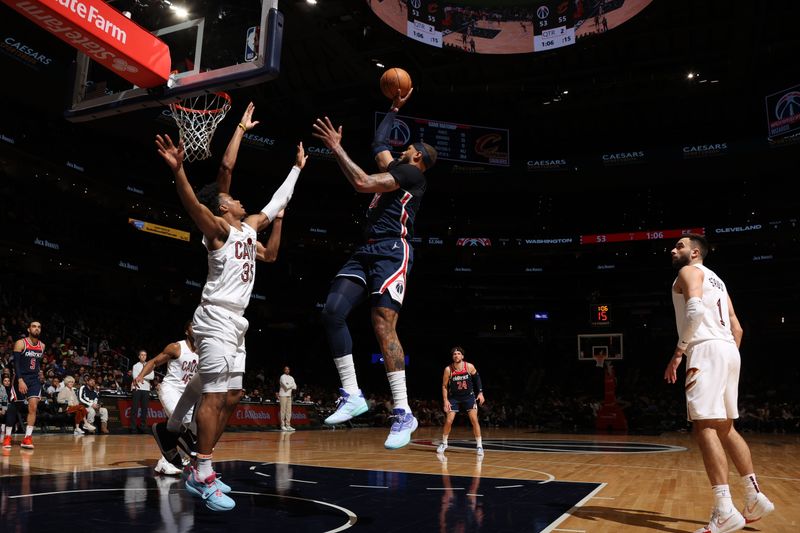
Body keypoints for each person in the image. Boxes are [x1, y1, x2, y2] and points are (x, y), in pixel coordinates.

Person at [154, 103, 306, 511]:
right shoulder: (218, 230)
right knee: (215, 397)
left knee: (234, 396)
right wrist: (179, 170)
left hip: (237, 322)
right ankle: (201, 471)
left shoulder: (250, 227)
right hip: (215, 317)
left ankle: (179, 440)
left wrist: (297, 169)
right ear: (223, 207)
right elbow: (195, 204)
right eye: (232, 198)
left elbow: (276, 204)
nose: (239, 199)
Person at [312, 88, 438, 449]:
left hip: (392, 252)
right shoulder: (398, 167)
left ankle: (403, 412)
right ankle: (352, 394)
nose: (399, 150)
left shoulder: (414, 177)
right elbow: (379, 140)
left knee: (382, 325)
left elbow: (363, 183)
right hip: (365, 252)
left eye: (407, 150)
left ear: (416, 157)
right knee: (332, 312)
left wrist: (336, 148)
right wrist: (394, 108)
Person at [664, 234, 775, 533]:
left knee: (705, 426)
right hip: (728, 349)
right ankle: (753, 495)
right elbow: (737, 327)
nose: (674, 250)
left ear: (696, 252)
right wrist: (725, 356)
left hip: (706, 348)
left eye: (680, 246)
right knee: (726, 426)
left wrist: (679, 353)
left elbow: (695, 310)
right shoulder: (719, 281)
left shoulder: (688, 271)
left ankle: (724, 509)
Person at [137, 322, 198, 476]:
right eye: (193, 325)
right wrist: (141, 375)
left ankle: (165, 461)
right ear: (186, 331)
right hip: (171, 389)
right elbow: (155, 362)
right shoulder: (177, 347)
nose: (197, 328)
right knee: (178, 422)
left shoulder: (204, 351)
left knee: (188, 430)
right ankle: (171, 455)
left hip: (189, 394)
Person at [437, 346, 485, 456]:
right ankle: (444, 443)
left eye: (458, 353)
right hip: (454, 398)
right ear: (452, 357)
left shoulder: (468, 366)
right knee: (449, 420)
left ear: (462, 356)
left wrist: (480, 392)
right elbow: (444, 386)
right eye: (454, 354)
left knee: (474, 420)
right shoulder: (448, 369)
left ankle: (479, 446)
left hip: (469, 396)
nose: (456, 355)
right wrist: (445, 400)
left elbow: (477, 378)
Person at [9, 320, 44, 449]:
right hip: (21, 377)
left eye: (39, 327)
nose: (37, 329)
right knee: (14, 406)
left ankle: (27, 438)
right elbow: (16, 364)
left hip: (34, 379)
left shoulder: (42, 346)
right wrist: (20, 380)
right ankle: (7, 436)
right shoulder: (20, 343)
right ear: (29, 329)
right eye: (34, 326)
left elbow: (36, 362)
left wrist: (39, 372)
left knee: (33, 406)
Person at [130, 350, 153, 433]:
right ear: (139, 356)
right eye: (142, 355)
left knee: (144, 409)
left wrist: (141, 375)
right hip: (137, 388)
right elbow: (136, 377)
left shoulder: (150, 365)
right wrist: (143, 375)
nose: (143, 356)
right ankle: (133, 427)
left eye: (145, 355)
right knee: (134, 408)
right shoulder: (135, 366)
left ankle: (143, 426)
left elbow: (152, 376)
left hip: (146, 389)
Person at [278, 366, 297, 431]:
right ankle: (282, 425)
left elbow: (295, 387)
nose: (287, 370)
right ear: (284, 370)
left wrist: (290, 385)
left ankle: (288, 425)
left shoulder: (291, 377)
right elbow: (286, 387)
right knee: (283, 411)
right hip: (283, 395)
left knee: (289, 411)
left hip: (289, 395)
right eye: (286, 369)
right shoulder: (282, 377)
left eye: (288, 369)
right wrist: (291, 385)